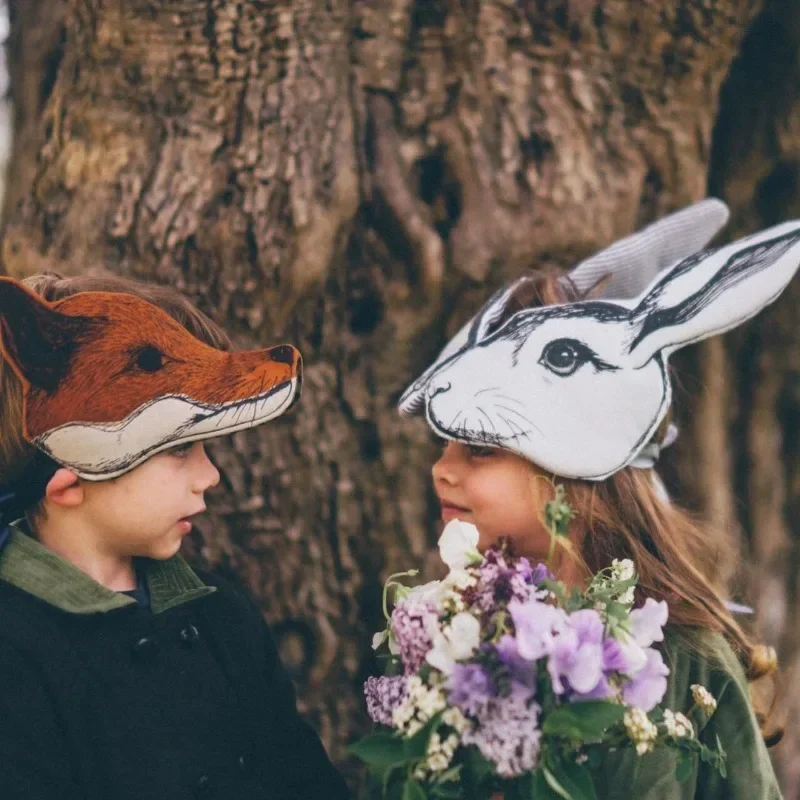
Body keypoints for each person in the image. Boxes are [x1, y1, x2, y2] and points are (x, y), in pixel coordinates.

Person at [398, 200, 794, 798]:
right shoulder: (451, 638)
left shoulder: (688, 659)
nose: (440, 471)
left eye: (478, 450)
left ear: (577, 476)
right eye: (445, 446)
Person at [0, 272, 351, 800]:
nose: (210, 476)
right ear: (68, 482)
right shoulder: (14, 653)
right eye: (179, 449)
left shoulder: (223, 619)